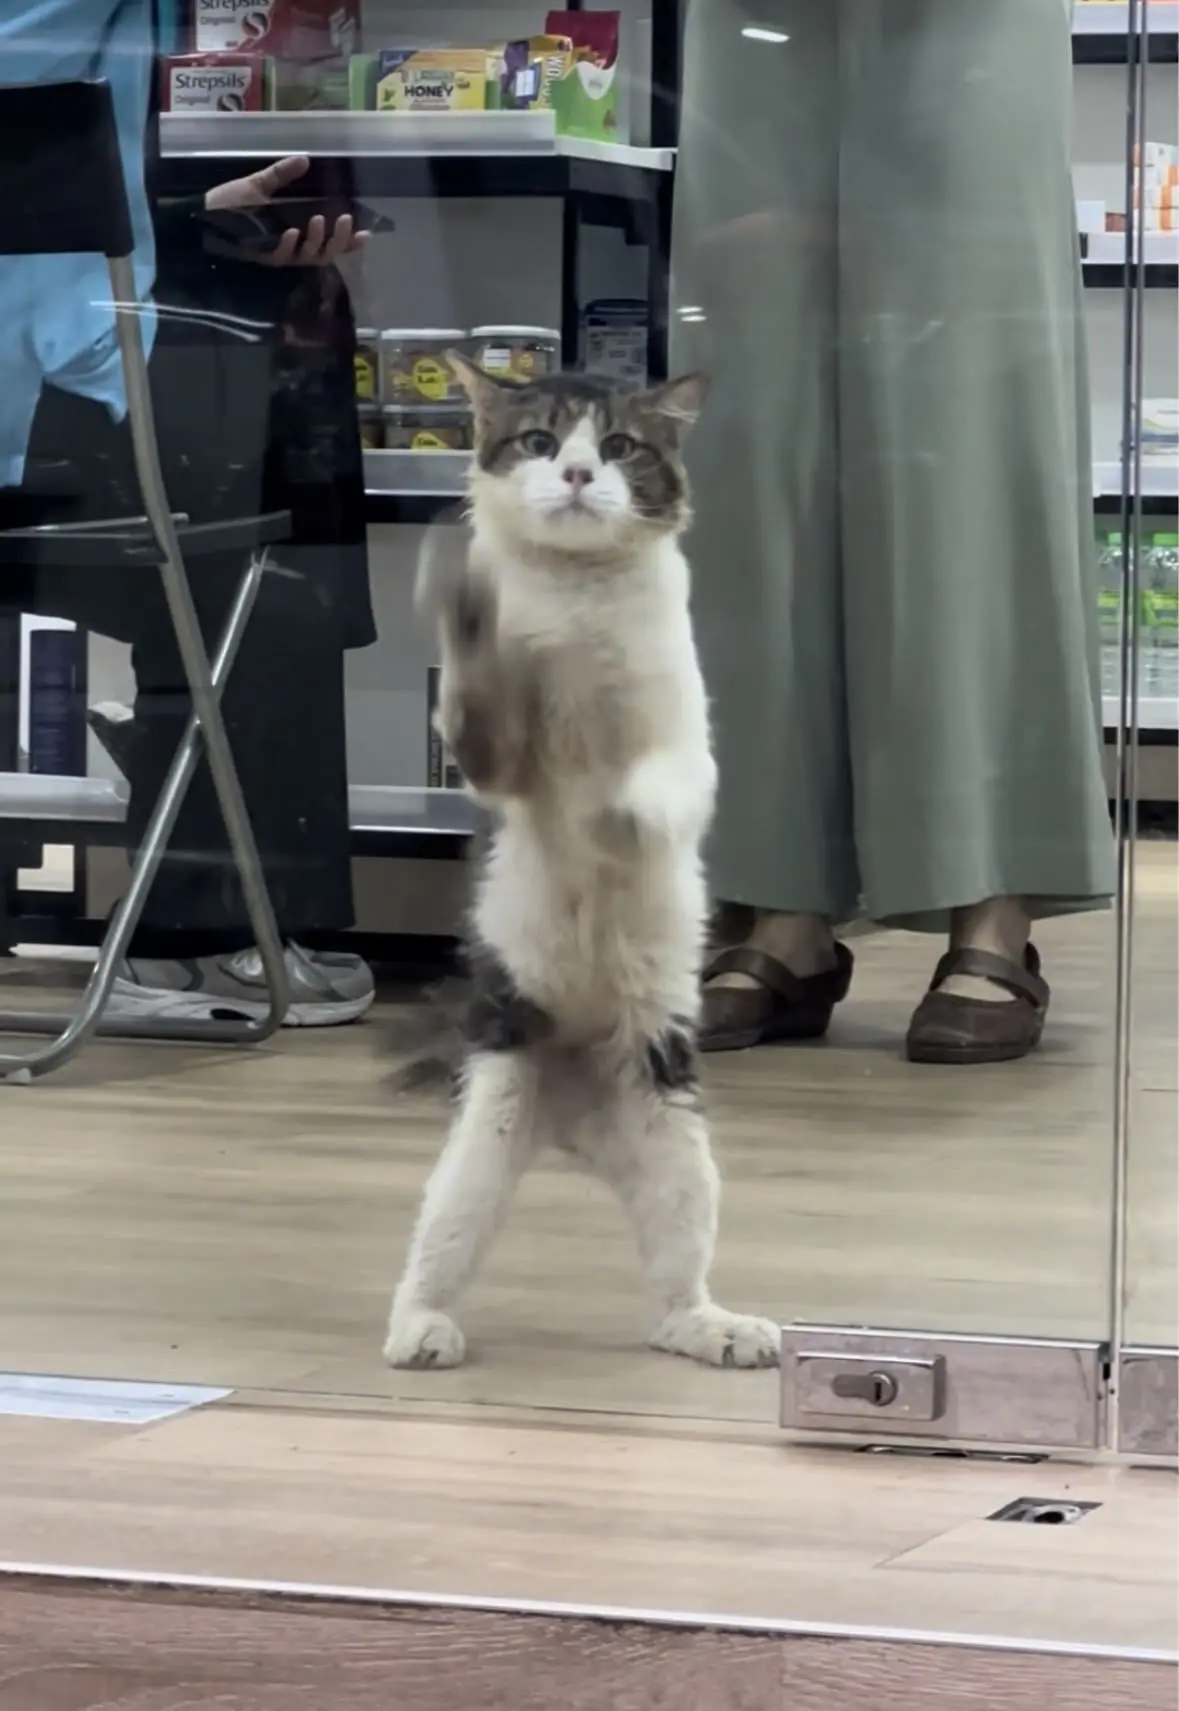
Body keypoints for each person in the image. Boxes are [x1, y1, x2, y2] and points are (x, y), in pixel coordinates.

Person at [670, 0, 1115, 1065]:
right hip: (759, 19)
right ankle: (776, 899)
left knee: (963, 416)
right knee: (753, 434)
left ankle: (989, 892)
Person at [1, 0, 377, 1026]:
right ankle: (201, 936)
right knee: (273, 556)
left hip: (46, 371)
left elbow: (47, 174)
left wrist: (187, 215)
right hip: (44, 401)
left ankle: (197, 924)